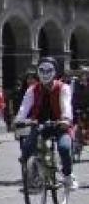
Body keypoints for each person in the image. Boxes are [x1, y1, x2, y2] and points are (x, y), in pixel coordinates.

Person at [15, 57, 77, 190]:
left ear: (54, 71)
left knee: (64, 148)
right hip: (40, 125)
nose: (45, 73)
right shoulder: (33, 89)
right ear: (38, 71)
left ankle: (68, 176)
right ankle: (33, 178)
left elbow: (66, 105)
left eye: (48, 70)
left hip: (60, 125)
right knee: (27, 149)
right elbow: (24, 106)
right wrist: (19, 119)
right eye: (42, 70)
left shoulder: (63, 87)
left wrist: (66, 119)